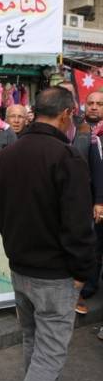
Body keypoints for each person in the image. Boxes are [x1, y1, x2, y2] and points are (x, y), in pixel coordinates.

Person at [0, 87, 96, 381]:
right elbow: (78, 225)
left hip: (21, 267)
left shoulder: (7, 155)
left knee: (34, 341)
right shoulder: (67, 157)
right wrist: (82, 271)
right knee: (49, 353)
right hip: (55, 274)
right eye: (72, 115)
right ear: (66, 114)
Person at [80, 90, 103, 314]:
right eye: (91, 103)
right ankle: (90, 282)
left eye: (99, 104)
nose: (94, 107)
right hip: (83, 198)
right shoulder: (77, 129)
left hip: (99, 199)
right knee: (92, 243)